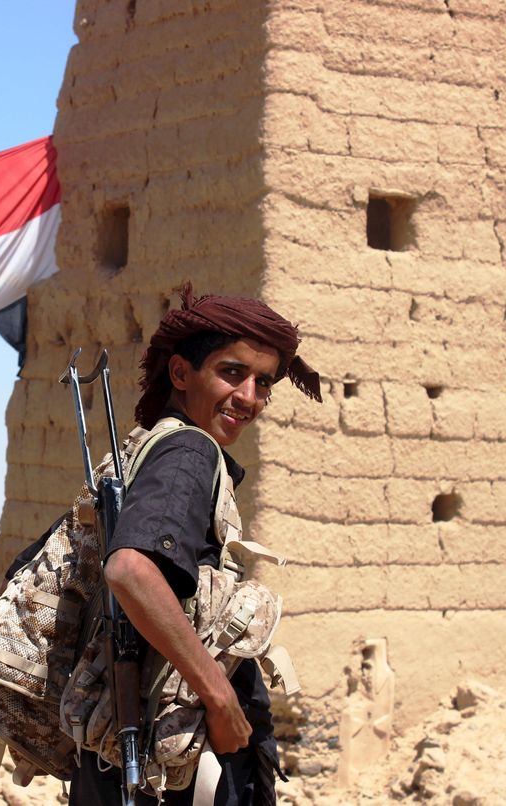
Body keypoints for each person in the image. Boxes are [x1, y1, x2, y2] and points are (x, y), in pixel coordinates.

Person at [69, 286, 321, 806]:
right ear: (181, 374)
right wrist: (219, 695)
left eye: (263, 383)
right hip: (179, 760)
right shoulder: (189, 450)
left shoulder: (149, 448)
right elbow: (130, 569)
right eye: (232, 373)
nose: (249, 397)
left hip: (138, 753)